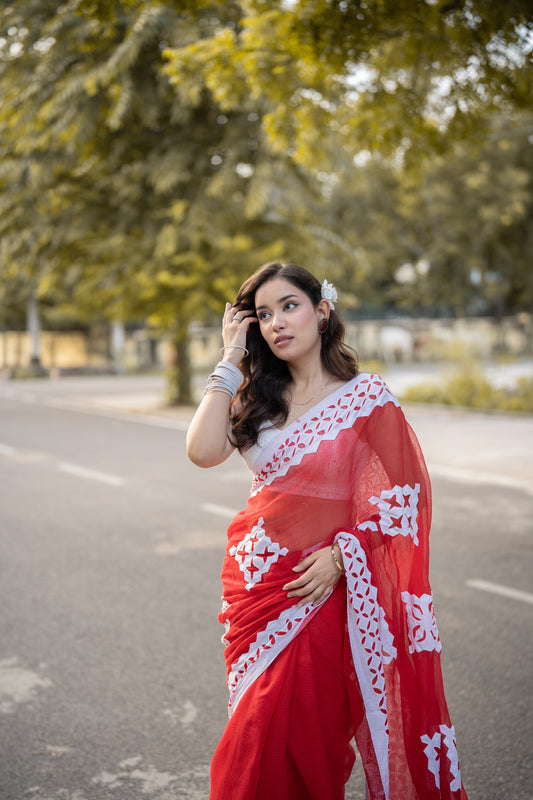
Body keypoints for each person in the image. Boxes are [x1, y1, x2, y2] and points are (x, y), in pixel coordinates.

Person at [186, 262, 468, 800]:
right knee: (254, 732)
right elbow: (201, 451)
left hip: (324, 591)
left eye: (289, 306)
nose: (276, 323)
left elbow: (407, 500)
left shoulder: (366, 399)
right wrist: (229, 359)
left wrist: (345, 556)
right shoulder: (256, 399)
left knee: (296, 738)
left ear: (322, 311)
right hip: (257, 592)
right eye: (263, 315)